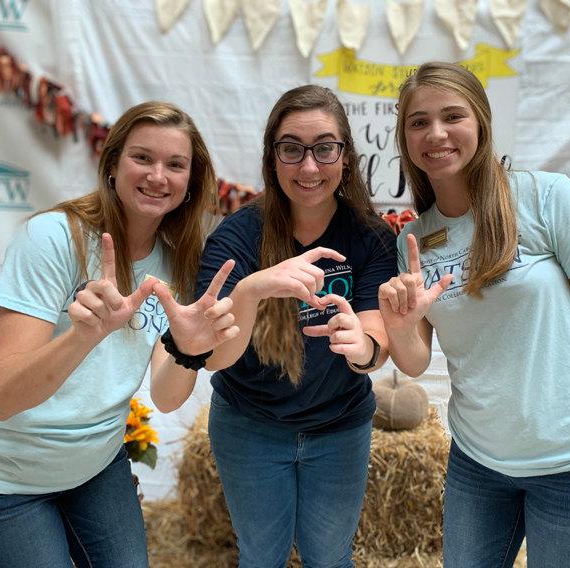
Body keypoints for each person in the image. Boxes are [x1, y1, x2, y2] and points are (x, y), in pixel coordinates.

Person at [378, 62, 570, 568]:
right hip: (477, 466)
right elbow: (416, 362)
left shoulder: (546, 198)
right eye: (418, 122)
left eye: (451, 116)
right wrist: (398, 326)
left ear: (481, 123)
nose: (435, 133)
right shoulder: (413, 241)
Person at [0, 101, 239, 568]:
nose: (158, 176)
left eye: (176, 165)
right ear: (112, 165)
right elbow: (1, 398)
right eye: (142, 157)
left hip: (95, 469)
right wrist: (84, 335)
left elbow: (165, 398)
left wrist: (189, 351)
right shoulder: (52, 238)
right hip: (5, 480)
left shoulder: (179, 263)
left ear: (191, 185)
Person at [188, 85, 397, 568]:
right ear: (272, 157)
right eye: (292, 149)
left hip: (340, 428)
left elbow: (376, 342)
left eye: (325, 148)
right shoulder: (237, 236)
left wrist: (361, 346)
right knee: (262, 557)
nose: (308, 167)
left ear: (345, 156)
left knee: (330, 558)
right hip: (249, 427)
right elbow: (212, 356)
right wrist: (251, 291)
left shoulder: (371, 236)